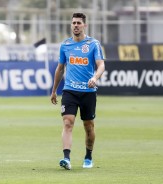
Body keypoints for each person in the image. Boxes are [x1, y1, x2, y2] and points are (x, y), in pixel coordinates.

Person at [50, 12, 105, 170]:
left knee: (88, 126)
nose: (75, 25)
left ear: (84, 25)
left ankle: (88, 156)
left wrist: (95, 78)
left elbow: (101, 65)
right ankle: (66, 158)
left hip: (88, 91)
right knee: (68, 122)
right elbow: (60, 69)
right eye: (73, 23)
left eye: (78, 23)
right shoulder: (65, 45)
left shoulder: (93, 44)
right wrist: (54, 91)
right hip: (70, 91)